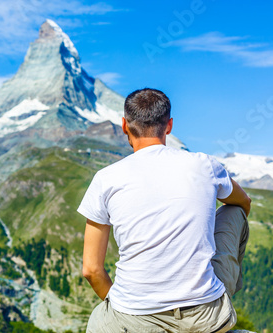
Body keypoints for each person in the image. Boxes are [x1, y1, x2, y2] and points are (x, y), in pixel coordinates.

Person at [78, 88, 251, 333]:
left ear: (124, 126)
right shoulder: (205, 164)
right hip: (206, 318)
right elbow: (244, 202)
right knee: (235, 211)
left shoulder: (105, 179)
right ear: (169, 125)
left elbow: (91, 270)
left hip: (134, 321)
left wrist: (125, 306)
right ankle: (215, 292)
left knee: (98, 321)